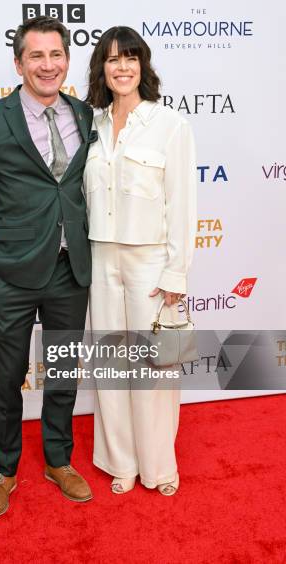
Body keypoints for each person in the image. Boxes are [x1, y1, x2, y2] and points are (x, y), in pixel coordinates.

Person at [0, 15, 95, 517]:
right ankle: (4, 470)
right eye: (36, 56)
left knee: (62, 372)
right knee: (7, 376)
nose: (47, 65)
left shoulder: (86, 115)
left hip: (70, 270)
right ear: (18, 63)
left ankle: (59, 460)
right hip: (10, 273)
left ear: (67, 59)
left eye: (55, 55)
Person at [84, 26, 196, 495]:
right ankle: (121, 462)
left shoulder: (170, 124)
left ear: (143, 65)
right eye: (112, 60)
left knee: (154, 368)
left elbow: (183, 202)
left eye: (130, 58)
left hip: (150, 262)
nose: (122, 67)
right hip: (100, 257)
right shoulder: (90, 124)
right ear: (102, 70)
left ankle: (158, 467)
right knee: (111, 364)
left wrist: (177, 271)